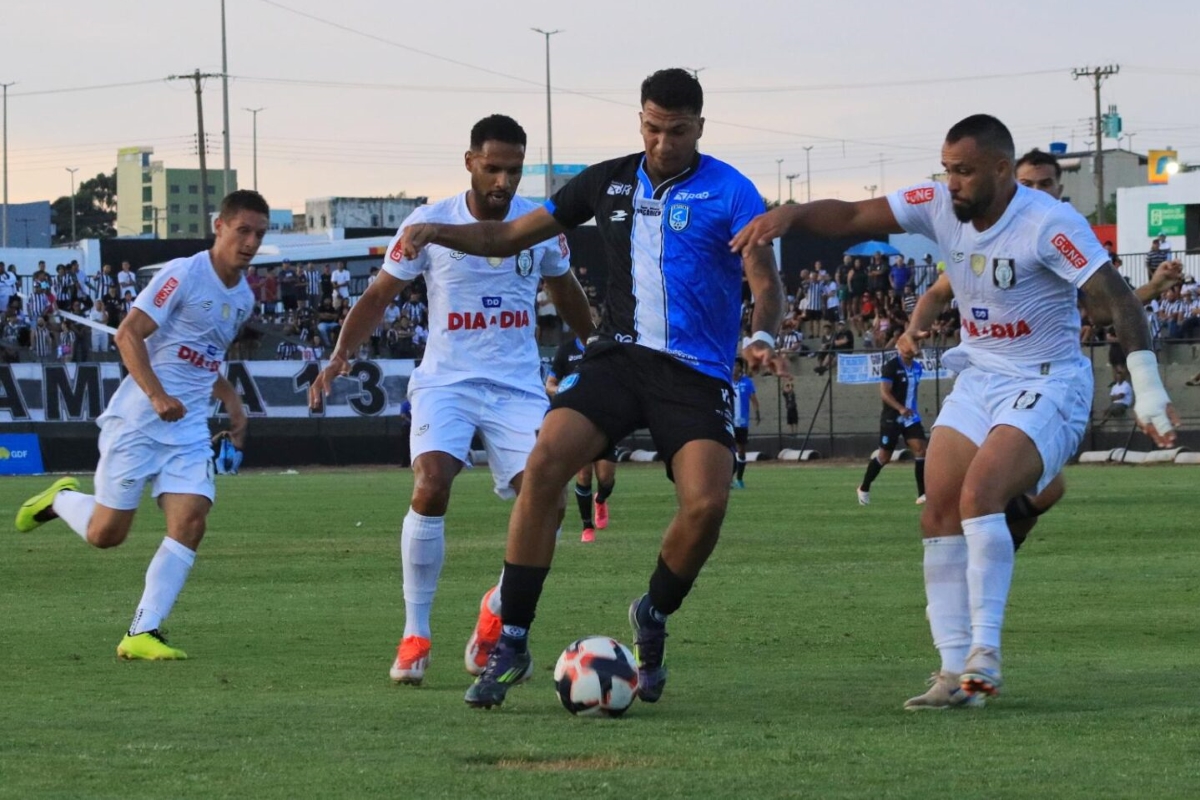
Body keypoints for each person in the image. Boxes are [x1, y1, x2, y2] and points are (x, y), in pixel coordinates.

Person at [733, 114, 1177, 710]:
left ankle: (984, 659)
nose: (952, 183)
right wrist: (791, 215)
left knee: (978, 496)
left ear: (1000, 170)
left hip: (1049, 382)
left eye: (964, 171)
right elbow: (853, 216)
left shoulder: (1048, 222)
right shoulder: (939, 205)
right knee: (937, 508)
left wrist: (1147, 388)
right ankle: (951, 674)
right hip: (980, 378)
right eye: (946, 170)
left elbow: (1116, 297)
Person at [398, 68, 786, 709]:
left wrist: (764, 337)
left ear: (699, 128)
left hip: (696, 373)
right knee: (546, 459)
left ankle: (653, 614)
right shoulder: (605, 181)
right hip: (619, 359)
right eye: (653, 128)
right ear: (641, 121)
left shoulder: (733, 191)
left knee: (706, 507)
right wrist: (435, 230)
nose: (664, 142)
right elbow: (504, 237)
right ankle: (512, 643)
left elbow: (765, 281)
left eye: (678, 131)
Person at [309, 114, 591, 686]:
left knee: (551, 503)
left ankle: (495, 614)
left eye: (513, 170)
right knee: (431, 480)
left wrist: (598, 346)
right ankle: (416, 635)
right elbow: (379, 294)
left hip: (516, 386)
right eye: (493, 168)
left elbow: (566, 291)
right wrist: (339, 355)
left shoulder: (540, 223)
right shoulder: (428, 221)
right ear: (469, 162)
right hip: (447, 381)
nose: (503, 182)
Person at [14, 190, 265, 660]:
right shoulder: (183, 274)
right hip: (138, 421)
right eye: (243, 231)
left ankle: (143, 631)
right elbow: (128, 334)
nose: (250, 242)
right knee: (106, 535)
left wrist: (232, 401)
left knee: (191, 521)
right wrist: (156, 395)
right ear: (219, 227)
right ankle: (61, 499)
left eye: (259, 234)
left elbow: (202, 359)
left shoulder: (244, 299)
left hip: (186, 430)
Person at [546, 306, 617, 543]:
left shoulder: (608, 349)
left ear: (598, 320)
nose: (590, 320)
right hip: (577, 419)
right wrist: (565, 391)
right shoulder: (566, 351)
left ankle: (601, 499)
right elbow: (550, 384)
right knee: (583, 474)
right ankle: (587, 527)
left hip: (605, 418)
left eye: (594, 316)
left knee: (606, 478)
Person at [857, 337, 927, 506]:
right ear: (900, 348)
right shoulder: (891, 367)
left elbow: (913, 392)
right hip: (892, 418)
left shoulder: (918, 368)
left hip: (911, 417)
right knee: (884, 457)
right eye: (909, 346)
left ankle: (923, 493)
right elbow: (884, 393)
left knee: (921, 450)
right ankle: (864, 488)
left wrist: (911, 410)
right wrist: (900, 408)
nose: (913, 348)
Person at [731, 357, 759, 488]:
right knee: (727, 450)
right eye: (733, 365)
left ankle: (739, 480)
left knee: (741, 450)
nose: (734, 368)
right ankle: (727, 480)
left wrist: (757, 414)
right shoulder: (726, 381)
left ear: (741, 368)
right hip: (728, 422)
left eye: (737, 366)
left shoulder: (747, 382)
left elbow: (753, 399)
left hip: (741, 423)